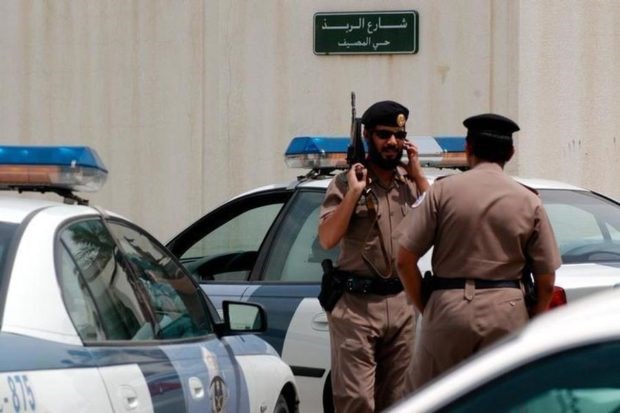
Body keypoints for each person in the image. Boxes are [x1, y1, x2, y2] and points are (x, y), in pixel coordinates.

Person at [396, 113, 561, 388]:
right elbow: (546, 283)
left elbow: (404, 260)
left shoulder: (441, 191)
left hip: (448, 308)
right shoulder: (528, 200)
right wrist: (530, 319)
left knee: (434, 397)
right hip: (507, 310)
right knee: (503, 398)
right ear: (510, 153)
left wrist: (430, 307)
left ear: (468, 148)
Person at [318, 100, 430, 412]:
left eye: (398, 135)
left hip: (402, 304)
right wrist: (354, 193)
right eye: (384, 134)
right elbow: (327, 238)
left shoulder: (409, 184)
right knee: (357, 401)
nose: (392, 142)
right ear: (367, 135)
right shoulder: (346, 183)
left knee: (400, 402)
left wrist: (419, 176)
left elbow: (442, 221)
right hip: (357, 307)